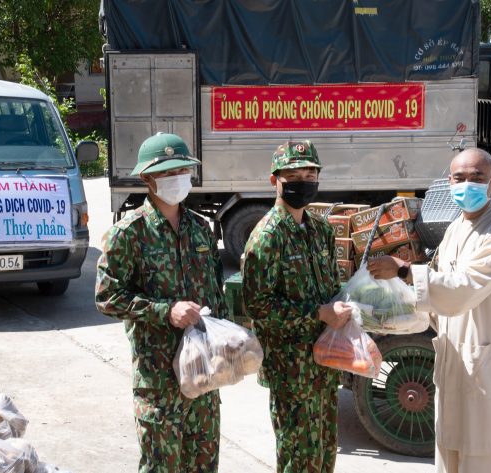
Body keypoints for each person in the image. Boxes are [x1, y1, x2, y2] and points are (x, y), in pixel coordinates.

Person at [368, 148, 491, 473]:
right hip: (456, 361)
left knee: (487, 458)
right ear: (449, 181)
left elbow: (463, 289)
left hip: (490, 370)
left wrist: (403, 270)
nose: (467, 184)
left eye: (477, 178)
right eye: (460, 178)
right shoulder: (457, 227)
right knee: (450, 457)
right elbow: (435, 289)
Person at [95, 132, 225, 473]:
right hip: (158, 383)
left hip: (203, 380)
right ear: (147, 179)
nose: (176, 179)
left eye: (181, 171)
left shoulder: (201, 229)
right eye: (167, 173)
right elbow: (106, 297)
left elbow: (216, 295)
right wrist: (164, 311)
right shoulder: (129, 233)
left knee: (204, 466)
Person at [241, 140, 352, 473]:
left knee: (325, 453)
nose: (304, 179)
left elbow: (331, 287)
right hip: (291, 370)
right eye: (293, 173)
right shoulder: (267, 236)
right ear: (274, 180)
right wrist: (316, 313)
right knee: (298, 458)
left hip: (325, 363)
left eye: (310, 172)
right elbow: (257, 307)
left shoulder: (320, 230)